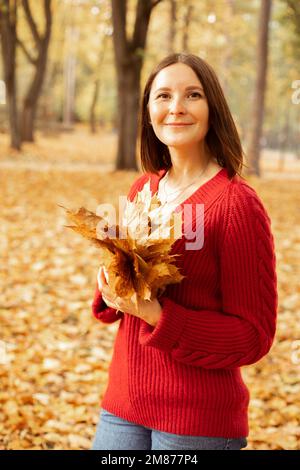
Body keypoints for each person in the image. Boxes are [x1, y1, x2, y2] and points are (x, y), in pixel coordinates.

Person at [90, 53, 278, 450]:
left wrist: (157, 316)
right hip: (123, 405)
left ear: (213, 108)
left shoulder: (236, 204)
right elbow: (131, 283)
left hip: (197, 421)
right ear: (148, 111)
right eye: (163, 96)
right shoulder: (144, 188)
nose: (176, 108)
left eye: (192, 94)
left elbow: (252, 337)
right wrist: (112, 282)